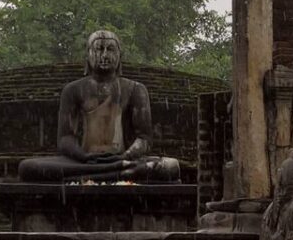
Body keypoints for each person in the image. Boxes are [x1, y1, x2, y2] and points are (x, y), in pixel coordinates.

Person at [18, 30, 180, 183]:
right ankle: (116, 172)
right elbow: (65, 139)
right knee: (28, 167)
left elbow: (144, 139)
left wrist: (126, 156)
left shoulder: (135, 89)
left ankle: (112, 170)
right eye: (98, 49)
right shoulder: (73, 90)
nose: (104, 55)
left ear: (119, 55)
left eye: (110, 49)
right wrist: (84, 157)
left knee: (172, 166)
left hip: (123, 158)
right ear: (88, 55)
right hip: (83, 162)